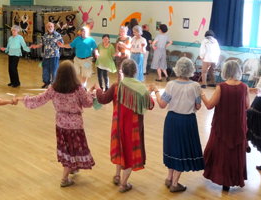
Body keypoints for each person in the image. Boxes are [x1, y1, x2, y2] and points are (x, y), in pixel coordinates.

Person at [18, 60, 96, 187]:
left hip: (61, 124)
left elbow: (39, 99)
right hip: (75, 125)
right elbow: (88, 103)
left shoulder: (53, 88)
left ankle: (73, 167)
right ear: (73, 74)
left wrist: (23, 99)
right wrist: (92, 94)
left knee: (66, 148)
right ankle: (64, 179)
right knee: (74, 148)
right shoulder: (78, 89)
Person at [96, 59, 154, 193]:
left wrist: (98, 89)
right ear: (135, 71)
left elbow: (102, 99)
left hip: (117, 124)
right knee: (129, 152)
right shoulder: (141, 88)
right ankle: (123, 184)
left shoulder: (117, 86)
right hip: (133, 127)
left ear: (122, 71)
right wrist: (150, 91)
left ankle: (117, 175)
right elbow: (150, 105)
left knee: (120, 148)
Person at [151, 57, 204, 193]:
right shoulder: (195, 86)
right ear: (191, 69)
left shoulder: (171, 85)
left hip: (172, 120)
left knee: (172, 148)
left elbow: (162, 104)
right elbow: (198, 106)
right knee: (183, 150)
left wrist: (156, 91)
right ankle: (175, 183)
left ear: (177, 68)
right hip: (188, 121)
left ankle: (169, 178)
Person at [201, 60, 249, 191]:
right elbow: (247, 106)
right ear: (238, 71)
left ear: (225, 71)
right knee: (234, 153)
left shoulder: (221, 86)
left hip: (222, 124)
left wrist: (202, 95)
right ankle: (232, 179)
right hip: (238, 125)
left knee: (221, 150)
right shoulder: (244, 87)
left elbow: (210, 105)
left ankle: (221, 177)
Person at [30, 22, 64, 88]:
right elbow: (41, 44)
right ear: (46, 28)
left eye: (51, 26)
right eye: (48, 26)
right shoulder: (44, 35)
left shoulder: (58, 35)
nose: (50, 27)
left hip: (54, 56)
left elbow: (62, 44)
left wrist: (60, 44)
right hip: (46, 56)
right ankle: (46, 83)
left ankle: (54, 84)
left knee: (54, 71)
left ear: (53, 27)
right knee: (45, 70)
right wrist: (35, 46)